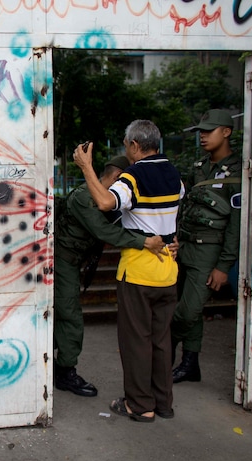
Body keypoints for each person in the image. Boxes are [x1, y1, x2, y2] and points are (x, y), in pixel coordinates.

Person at [73, 120, 184, 422]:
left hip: (138, 273)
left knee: (136, 342)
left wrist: (86, 167)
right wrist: (175, 242)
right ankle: (163, 403)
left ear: (134, 145)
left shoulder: (134, 177)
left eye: (125, 144)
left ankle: (139, 404)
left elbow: (106, 202)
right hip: (168, 274)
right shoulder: (175, 175)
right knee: (161, 341)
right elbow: (171, 219)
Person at [54, 155, 167, 397]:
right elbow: (105, 231)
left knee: (63, 313)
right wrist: (145, 242)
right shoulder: (86, 197)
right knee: (70, 316)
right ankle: (65, 371)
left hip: (73, 263)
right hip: (62, 262)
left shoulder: (106, 200)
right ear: (118, 177)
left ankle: (58, 361)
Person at [171, 109, 241, 383]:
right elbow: (186, 206)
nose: (202, 136)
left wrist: (224, 265)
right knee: (192, 310)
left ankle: (164, 347)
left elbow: (236, 223)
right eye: (200, 131)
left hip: (210, 253)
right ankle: (190, 364)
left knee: (187, 311)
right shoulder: (199, 168)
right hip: (186, 247)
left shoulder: (238, 171)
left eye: (208, 131)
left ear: (226, 132)